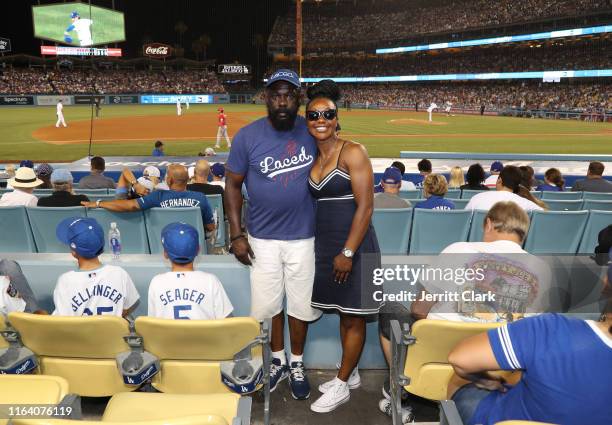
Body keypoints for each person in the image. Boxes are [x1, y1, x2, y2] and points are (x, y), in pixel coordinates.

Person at [225, 68, 321, 401]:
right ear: (266, 97)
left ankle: (297, 362)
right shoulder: (247, 136)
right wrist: (237, 233)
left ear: (298, 98)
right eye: (276, 94)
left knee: (300, 306)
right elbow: (232, 185)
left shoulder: (313, 133)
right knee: (269, 306)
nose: (282, 101)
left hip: (303, 237)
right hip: (261, 239)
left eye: (289, 95)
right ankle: (277, 359)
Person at [306, 80, 381, 413]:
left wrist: (348, 252)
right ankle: (348, 376)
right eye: (313, 115)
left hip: (357, 248)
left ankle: (341, 385)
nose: (321, 119)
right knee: (344, 313)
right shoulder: (311, 156)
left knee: (354, 318)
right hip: (327, 247)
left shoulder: (353, 151)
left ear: (337, 119)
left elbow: (365, 207)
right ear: (306, 121)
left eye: (328, 114)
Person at [448, 298, 612, 424]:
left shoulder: (553, 329)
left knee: (458, 381)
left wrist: (487, 381)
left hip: (497, 417)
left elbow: (459, 359)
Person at [81, 164, 215, 234]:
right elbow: (211, 227)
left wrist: (99, 203)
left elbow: (129, 206)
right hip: (194, 247)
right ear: (188, 180)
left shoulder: (157, 196)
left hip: (162, 244)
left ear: (169, 180)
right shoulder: (200, 198)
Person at [53, 217, 139, 317]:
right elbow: (131, 305)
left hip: (80, 333)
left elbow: (63, 322)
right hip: (114, 332)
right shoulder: (119, 273)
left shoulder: (65, 281)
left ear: (73, 252)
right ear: (102, 245)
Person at [148, 222, 233, 320]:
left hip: (168, 336)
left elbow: (152, 323)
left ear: (165, 254)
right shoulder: (210, 281)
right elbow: (227, 321)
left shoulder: (157, 282)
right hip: (203, 335)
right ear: (198, 250)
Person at [465, 166, 544, 212]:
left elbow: (465, 221)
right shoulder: (527, 204)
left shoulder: (477, 198)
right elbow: (544, 214)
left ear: (500, 180)